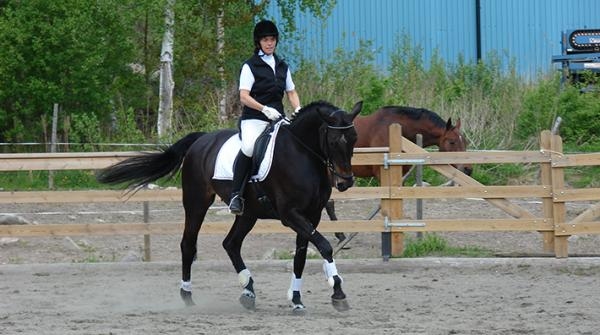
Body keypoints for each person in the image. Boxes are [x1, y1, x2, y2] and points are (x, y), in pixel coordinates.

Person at [228, 19, 301, 215]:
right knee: (250, 146)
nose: (269, 43)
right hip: (254, 118)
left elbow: (291, 92)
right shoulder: (250, 66)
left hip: (278, 119)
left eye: (272, 39)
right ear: (258, 42)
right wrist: (264, 109)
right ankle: (236, 194)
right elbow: (244, 96)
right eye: (265, 40)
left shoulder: (282, 65)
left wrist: (298, 109)